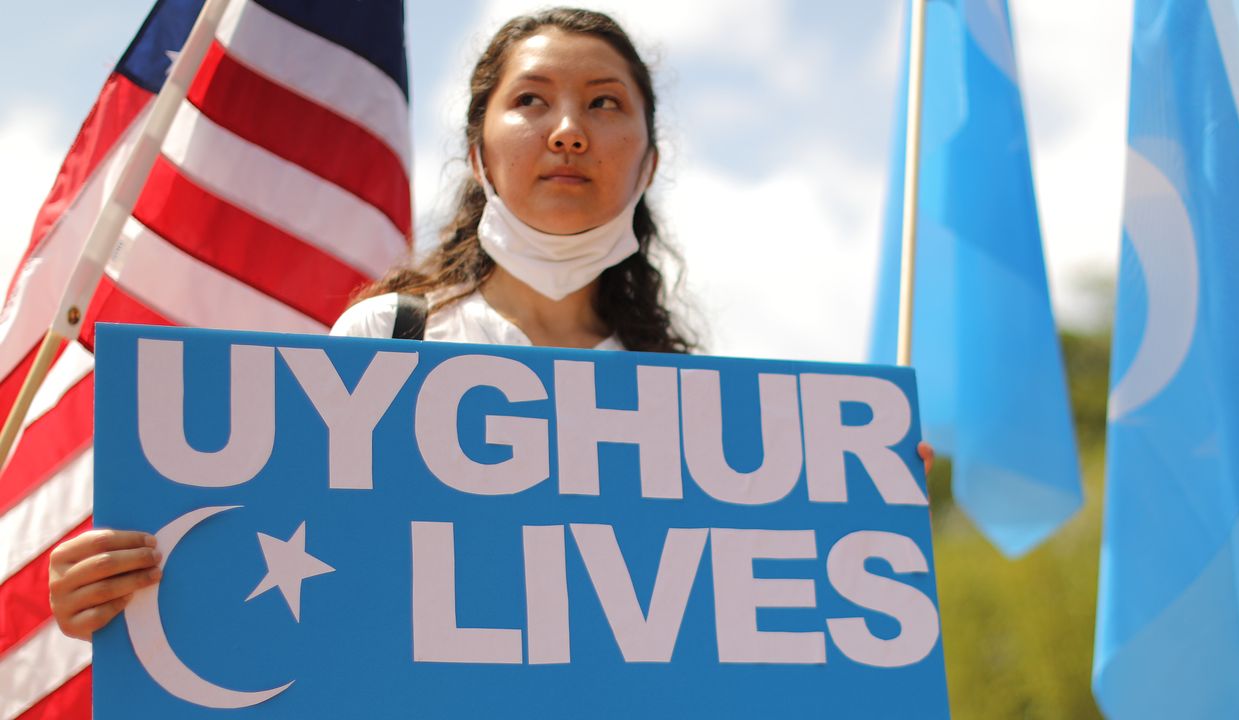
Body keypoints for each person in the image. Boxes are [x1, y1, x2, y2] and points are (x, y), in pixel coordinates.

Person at [48, 7, 934, 641]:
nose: (568, 131)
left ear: (649, 161)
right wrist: (131, 597)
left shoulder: (700, 416)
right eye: (532, 101)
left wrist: (857, 513)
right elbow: (284, 598)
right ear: (478, 153)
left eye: (606, 103)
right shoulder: (385, 346)